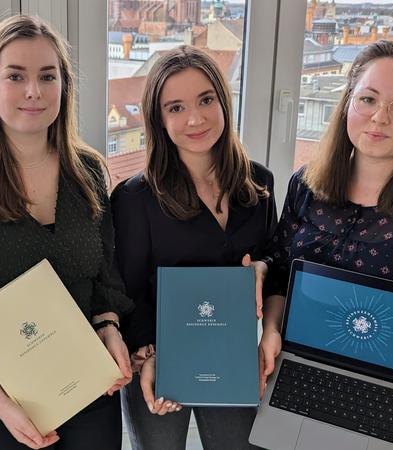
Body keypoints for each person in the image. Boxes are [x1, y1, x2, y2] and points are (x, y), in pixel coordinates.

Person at [258, 40, 393, 450]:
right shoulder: (305, 186)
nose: (380, 117)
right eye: (368, 99)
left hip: (389, 396)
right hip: (298, 376)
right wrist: (270, 331)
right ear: (347, 102)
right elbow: (279, 278)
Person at [0, 15, 133, 450]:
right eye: (15, 76)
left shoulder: (89, 172)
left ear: (64, 85)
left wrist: (110, 327)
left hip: (88, 393)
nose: (34, 91)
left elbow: (105, 279)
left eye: (47, 76)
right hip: (0, 408)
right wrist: (3, 406)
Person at [111, 45, 275, 450]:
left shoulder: (259, 183)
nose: (196, 118)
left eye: (206, 100)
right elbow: (128, 291)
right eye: (176, 107)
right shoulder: (134, 198)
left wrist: (262, 268)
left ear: (223, 100)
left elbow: (277, 258)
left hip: (230, 356)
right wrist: (147, 354)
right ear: (158, 119)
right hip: (160, 361)